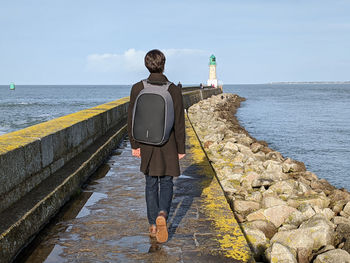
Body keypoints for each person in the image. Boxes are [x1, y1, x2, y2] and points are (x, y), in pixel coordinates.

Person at [127, 49, 186, 243]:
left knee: (150, 184)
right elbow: (179, 122)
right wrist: (181, 149)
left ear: (146, 65)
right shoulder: (173, 90)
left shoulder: (137, 88)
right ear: (164, 64)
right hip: (167, 144)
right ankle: (163, 213)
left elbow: (131, 119)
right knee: (167, 182)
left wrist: (134, 144)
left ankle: (153, 224)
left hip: (145, 144)